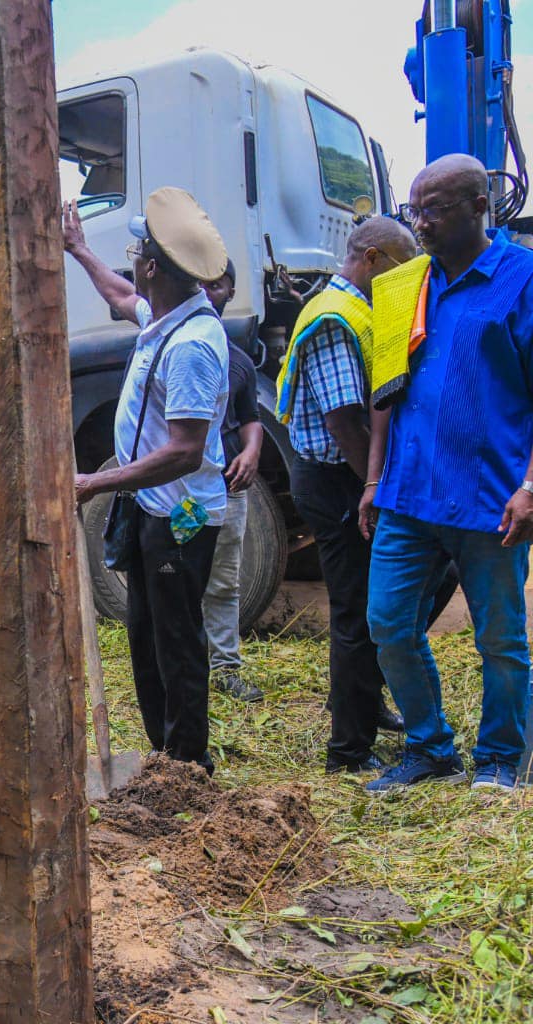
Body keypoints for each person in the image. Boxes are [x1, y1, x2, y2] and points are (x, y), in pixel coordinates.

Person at [359, 154, 533, 793]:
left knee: (500, 639)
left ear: (480, 206)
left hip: (491, 499)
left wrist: (530, 487)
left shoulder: (522, 277)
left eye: (436, 209)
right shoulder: (404, 284)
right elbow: (387, 389)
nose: (421, 223)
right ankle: (431, 747)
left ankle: (499, 759)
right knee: (388, 623)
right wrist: (374, 479)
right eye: (415, 210)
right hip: (408, 493)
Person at [66, 188, 230, 771]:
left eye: (137, 253)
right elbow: (120, 297)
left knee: (176, 642)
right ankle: (164, 755)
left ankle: (188, 764)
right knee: (146, 635)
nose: (131, 260)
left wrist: (94, 484)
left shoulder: (190, 346)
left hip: (178, 517)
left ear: (154, 267)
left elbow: (185, 452)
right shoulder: (164, 318)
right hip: (151, 510)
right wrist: (79, 251)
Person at [273, 216, 418, 773]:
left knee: (375, 602)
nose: (407, 279)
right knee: (356, 612)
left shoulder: (350, 307)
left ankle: (364, 702)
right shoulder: (336, 317)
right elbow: (345, 422)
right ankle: (348, 751)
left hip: (342, 479)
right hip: (338, 481)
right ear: (375, 258)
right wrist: (374, 489)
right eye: (402, 266)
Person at [197, 260, 266, 702]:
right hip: (178, 491)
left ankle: (224, 668)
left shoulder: (237, 359)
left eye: (219, 283)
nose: (209, 291)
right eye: (201, 281)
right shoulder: (169, 345)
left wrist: (253, 452)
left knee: (223, 581)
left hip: (225, 487)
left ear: (229, 292)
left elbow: (251, 419)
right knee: (175, 580)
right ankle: (182, 663)